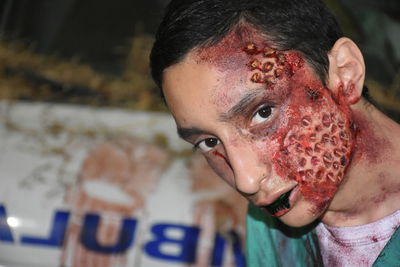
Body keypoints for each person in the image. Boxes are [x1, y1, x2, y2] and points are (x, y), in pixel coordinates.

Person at [150, 0, 400, 266]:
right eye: (209, 142)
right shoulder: (273, 224)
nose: (246, 180)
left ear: (345, 73)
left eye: (263, 113)